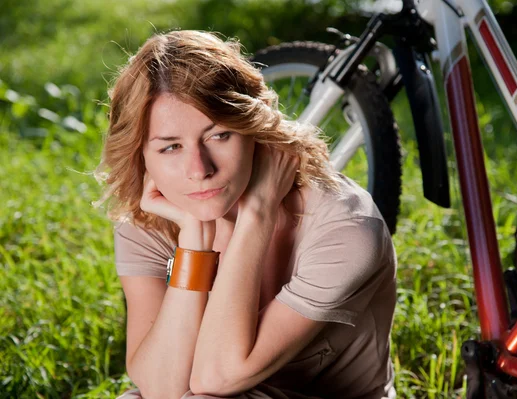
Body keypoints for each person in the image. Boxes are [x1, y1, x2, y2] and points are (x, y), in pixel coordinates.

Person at [95, 30, 398, 399]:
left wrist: (258, 214)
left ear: (255, 129)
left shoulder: (345, 228)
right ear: (139, 154)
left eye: (219, 135)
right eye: (170, 147)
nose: (199, 169)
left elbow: (216, 379)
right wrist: (194, 238)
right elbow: (158, 387)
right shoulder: (151, 220)